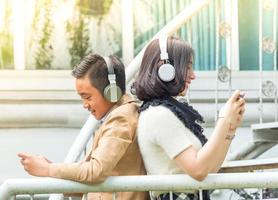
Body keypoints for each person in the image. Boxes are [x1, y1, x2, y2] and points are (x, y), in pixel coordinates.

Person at [18, 53, 149, 200]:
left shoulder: (121, 118)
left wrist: (48, 169)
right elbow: (97, 178)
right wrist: (54, 170)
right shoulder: (119, 114)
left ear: (111, 92)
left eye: (87, 97)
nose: (84, 105)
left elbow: (95, 171)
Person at [132, 36, 245, 200]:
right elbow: (198, 170)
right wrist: (223, 120)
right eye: (187, 67)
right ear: (165, 68)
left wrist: (230, 129)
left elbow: (210, 168)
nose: (193, 76)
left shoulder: (164, 110)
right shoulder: (158, 114)